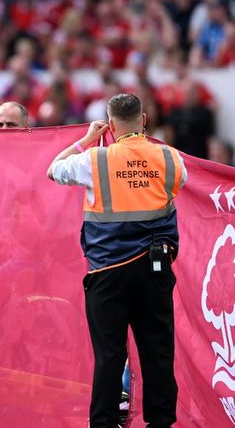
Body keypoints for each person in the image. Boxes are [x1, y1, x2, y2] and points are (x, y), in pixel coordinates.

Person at [47, 93, 186, 428]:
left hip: (108, 273)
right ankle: (161, 422)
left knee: (109, 356)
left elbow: (53, 170)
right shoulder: (170, 157)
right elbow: (179, 185)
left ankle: (105, 423)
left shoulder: (95, 159)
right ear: (145, 119)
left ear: (110, 125)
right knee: (158, 353)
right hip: (155, 269)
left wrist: (86, 140)